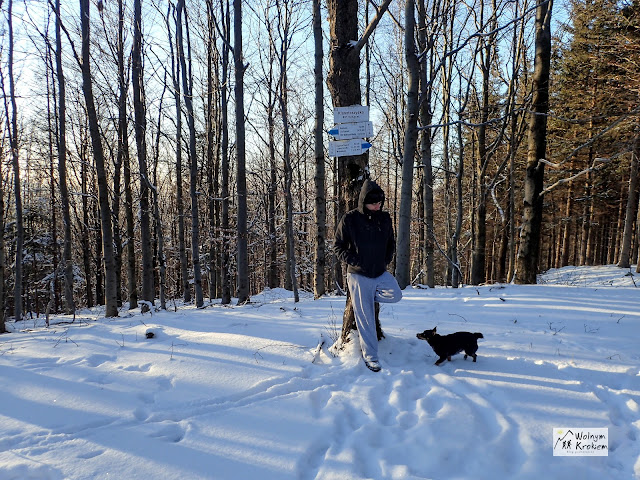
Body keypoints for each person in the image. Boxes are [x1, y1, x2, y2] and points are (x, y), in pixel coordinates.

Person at [334, 179, 402, 372]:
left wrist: (386, 259)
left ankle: (365, 298)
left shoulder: (385, 218)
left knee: (396, 294)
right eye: (373, 202)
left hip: (379, 272)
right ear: (364, 201)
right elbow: (338, 247)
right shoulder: (350, 219)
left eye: (380, 202)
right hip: (358, 275)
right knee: (366, 320)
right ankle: (371, 357)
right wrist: (354, 261)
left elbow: (391, 242)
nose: (377, 205)